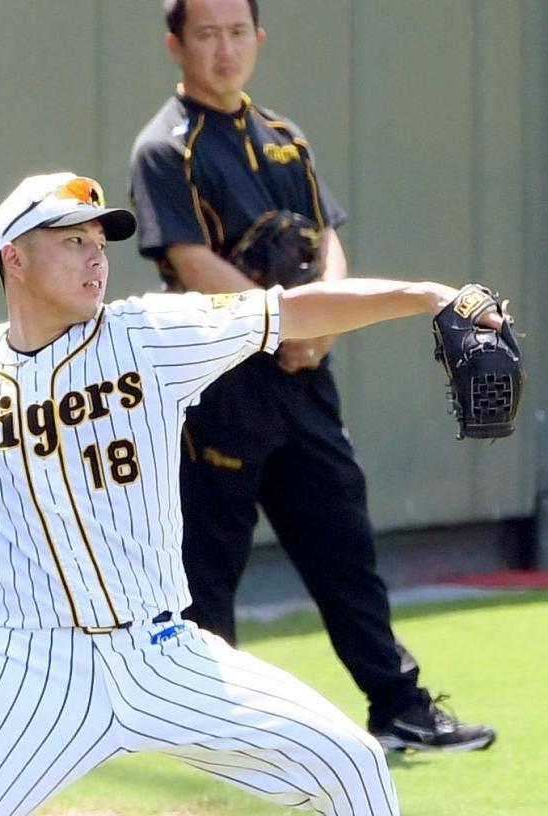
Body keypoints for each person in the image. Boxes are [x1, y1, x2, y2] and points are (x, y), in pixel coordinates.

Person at [0, 169, 505, 813]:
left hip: (163, 650)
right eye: (70, 239)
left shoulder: (148, 335)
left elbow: (295, 310)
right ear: (13, 255)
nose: (95, 254)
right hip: (32, 670)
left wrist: (429, 295)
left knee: (351, 765)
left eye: (100, 238)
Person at [129, 0, 496, 753]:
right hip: (218, 385)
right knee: (207, 561)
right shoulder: (166, 149)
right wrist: (282, 325)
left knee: (342, 542)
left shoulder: (286, 138)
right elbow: (192, 265)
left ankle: (399, 708)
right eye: (207, 34)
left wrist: (319, 326)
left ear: (258, 39)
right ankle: (206, 727)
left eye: (238, 32)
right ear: (176, 45)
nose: (225, 48)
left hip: (304, 378)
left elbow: (327, 241)